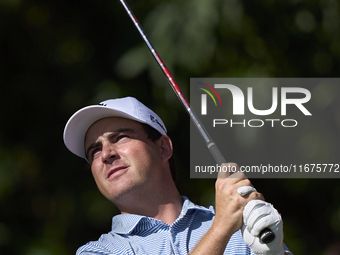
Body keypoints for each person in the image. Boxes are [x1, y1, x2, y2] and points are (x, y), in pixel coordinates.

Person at [63, 97, 292, 255]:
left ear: (163, 148)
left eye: (120, 137)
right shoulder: (98, 251)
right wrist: (221, 230)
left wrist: (273, 252)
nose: (106, 154)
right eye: (94, 150)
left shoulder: (242, 227)